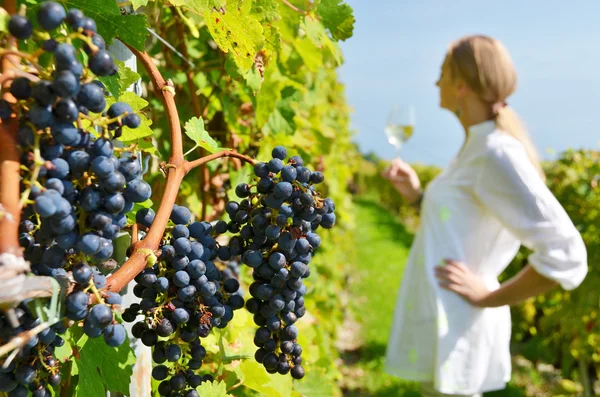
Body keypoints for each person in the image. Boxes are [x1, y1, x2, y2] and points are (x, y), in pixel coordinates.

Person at [381, 35, 588, 397]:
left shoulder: (496, 153)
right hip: (446, 323)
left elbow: (566, 253)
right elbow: (465, 220)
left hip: (460, 326)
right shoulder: (477, 145)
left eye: (442, 74)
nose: (436, 83)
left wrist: (487, 296)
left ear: (462, 85)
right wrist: (417, 197)